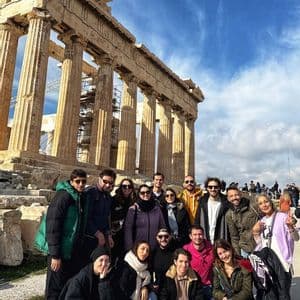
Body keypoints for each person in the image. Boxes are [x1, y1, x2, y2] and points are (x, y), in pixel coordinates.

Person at [35, 169, 88, 300]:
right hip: (59, 251)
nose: (81, 184)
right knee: (55, 287)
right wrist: (55, 255)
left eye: (83, 182)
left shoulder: (79, 196)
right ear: (71, 181)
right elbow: (53, 226)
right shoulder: (63, 196)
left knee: (67, 285)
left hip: (70, 250)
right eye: (78, 181)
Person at [252, 194, 299, 299]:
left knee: (283, 295)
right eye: (260, 203)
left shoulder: (282, 217)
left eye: (266, 201)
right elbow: (261, 245)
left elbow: (296, 238)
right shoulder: (261, 221)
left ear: (271, 202)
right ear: (258, 207)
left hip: (282, 263)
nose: (264, 205)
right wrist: (255, 233)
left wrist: (290, 227)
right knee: (271, 295)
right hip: (268, 265)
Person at [84, 169, 116, 264]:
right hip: (89, 237)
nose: (107, 185)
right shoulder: (90, 193)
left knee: (103, 265)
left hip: (102, 237)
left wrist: (109, 235)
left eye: (110, 183)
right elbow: (86, 217)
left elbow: (106, 218)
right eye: (105, 181)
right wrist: (97, 233)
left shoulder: (108, 197)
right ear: (99, 179)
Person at [124, 184, 165, 250]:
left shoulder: (157, 209)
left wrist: (162, 243)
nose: (145, 194)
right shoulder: (133, 209)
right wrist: (129, 247)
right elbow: (128, 230)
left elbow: (162, 226)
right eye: (142, 193)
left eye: (148, 192)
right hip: (138, 248)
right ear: (139, 194)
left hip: (154, 247)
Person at [225, 186, 259, 257]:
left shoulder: (253, 206)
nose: (234, 198)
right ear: (228, 198)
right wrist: (238, 255)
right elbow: (234, 237)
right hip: (245, 249)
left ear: (240, 195)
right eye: (231, 196)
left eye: (236, 195)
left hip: (260, 245)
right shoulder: (229, 215)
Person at [194, 177, 229, 244]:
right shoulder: (202, 201)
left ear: (219, 188)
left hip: (221, 237)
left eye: (215, 187)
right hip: (205, 238)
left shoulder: (226, 202)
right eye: (210, 187)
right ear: (207, 188)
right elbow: (197, 219)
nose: (213, 189)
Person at [183, 225, 214, 300]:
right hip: (193, 286)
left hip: (209, 286)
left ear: (203, 235)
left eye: (200, 234)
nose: (198, 237)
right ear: (190, 236)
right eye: (195, 235)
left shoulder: (212, 248)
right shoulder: (185, 249)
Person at [111, 178, 136, 261]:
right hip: (115, 236)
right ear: (120, 187)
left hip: (128, 236)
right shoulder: (114, 200)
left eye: (129, 186)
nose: (127, 188)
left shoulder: (133, 202)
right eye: (124, 186)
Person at [150, 228, 175, 297]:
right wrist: (151, 285)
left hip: (172, 289)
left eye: (166, 236)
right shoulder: (153, 253)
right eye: (160, 236)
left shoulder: (175, 252)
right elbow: (149, 270)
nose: (163, 239)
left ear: (170, 237)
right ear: (156, 238)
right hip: (157, 289)